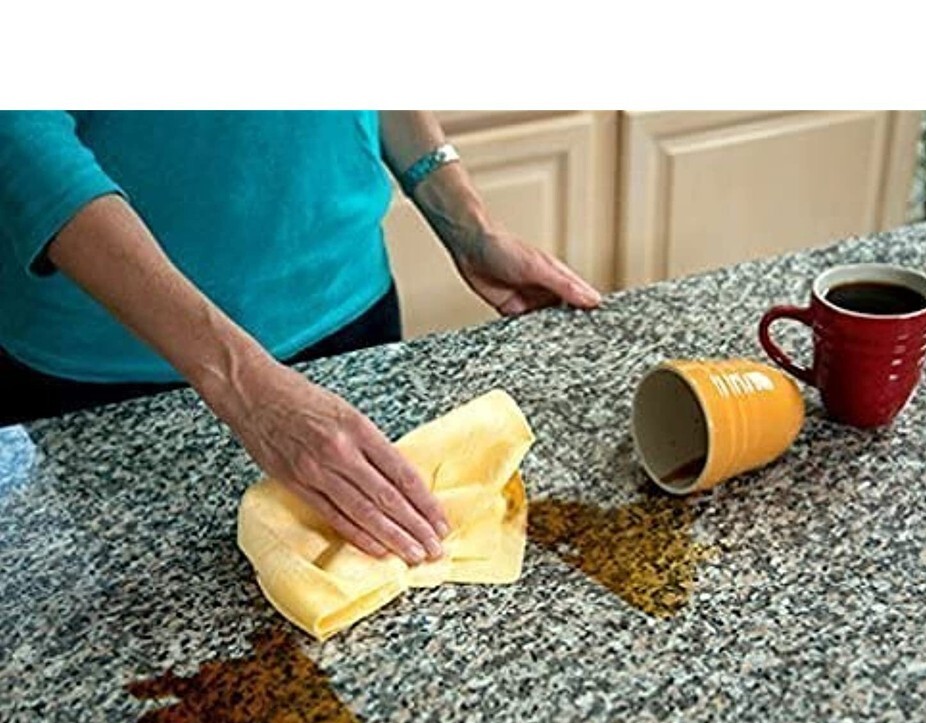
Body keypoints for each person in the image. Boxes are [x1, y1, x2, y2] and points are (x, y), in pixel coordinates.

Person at [0, 111, 601, 564]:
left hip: (352, 314)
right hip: (110, 372)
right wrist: (243, 383)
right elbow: (20, 133)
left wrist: (465, 220)